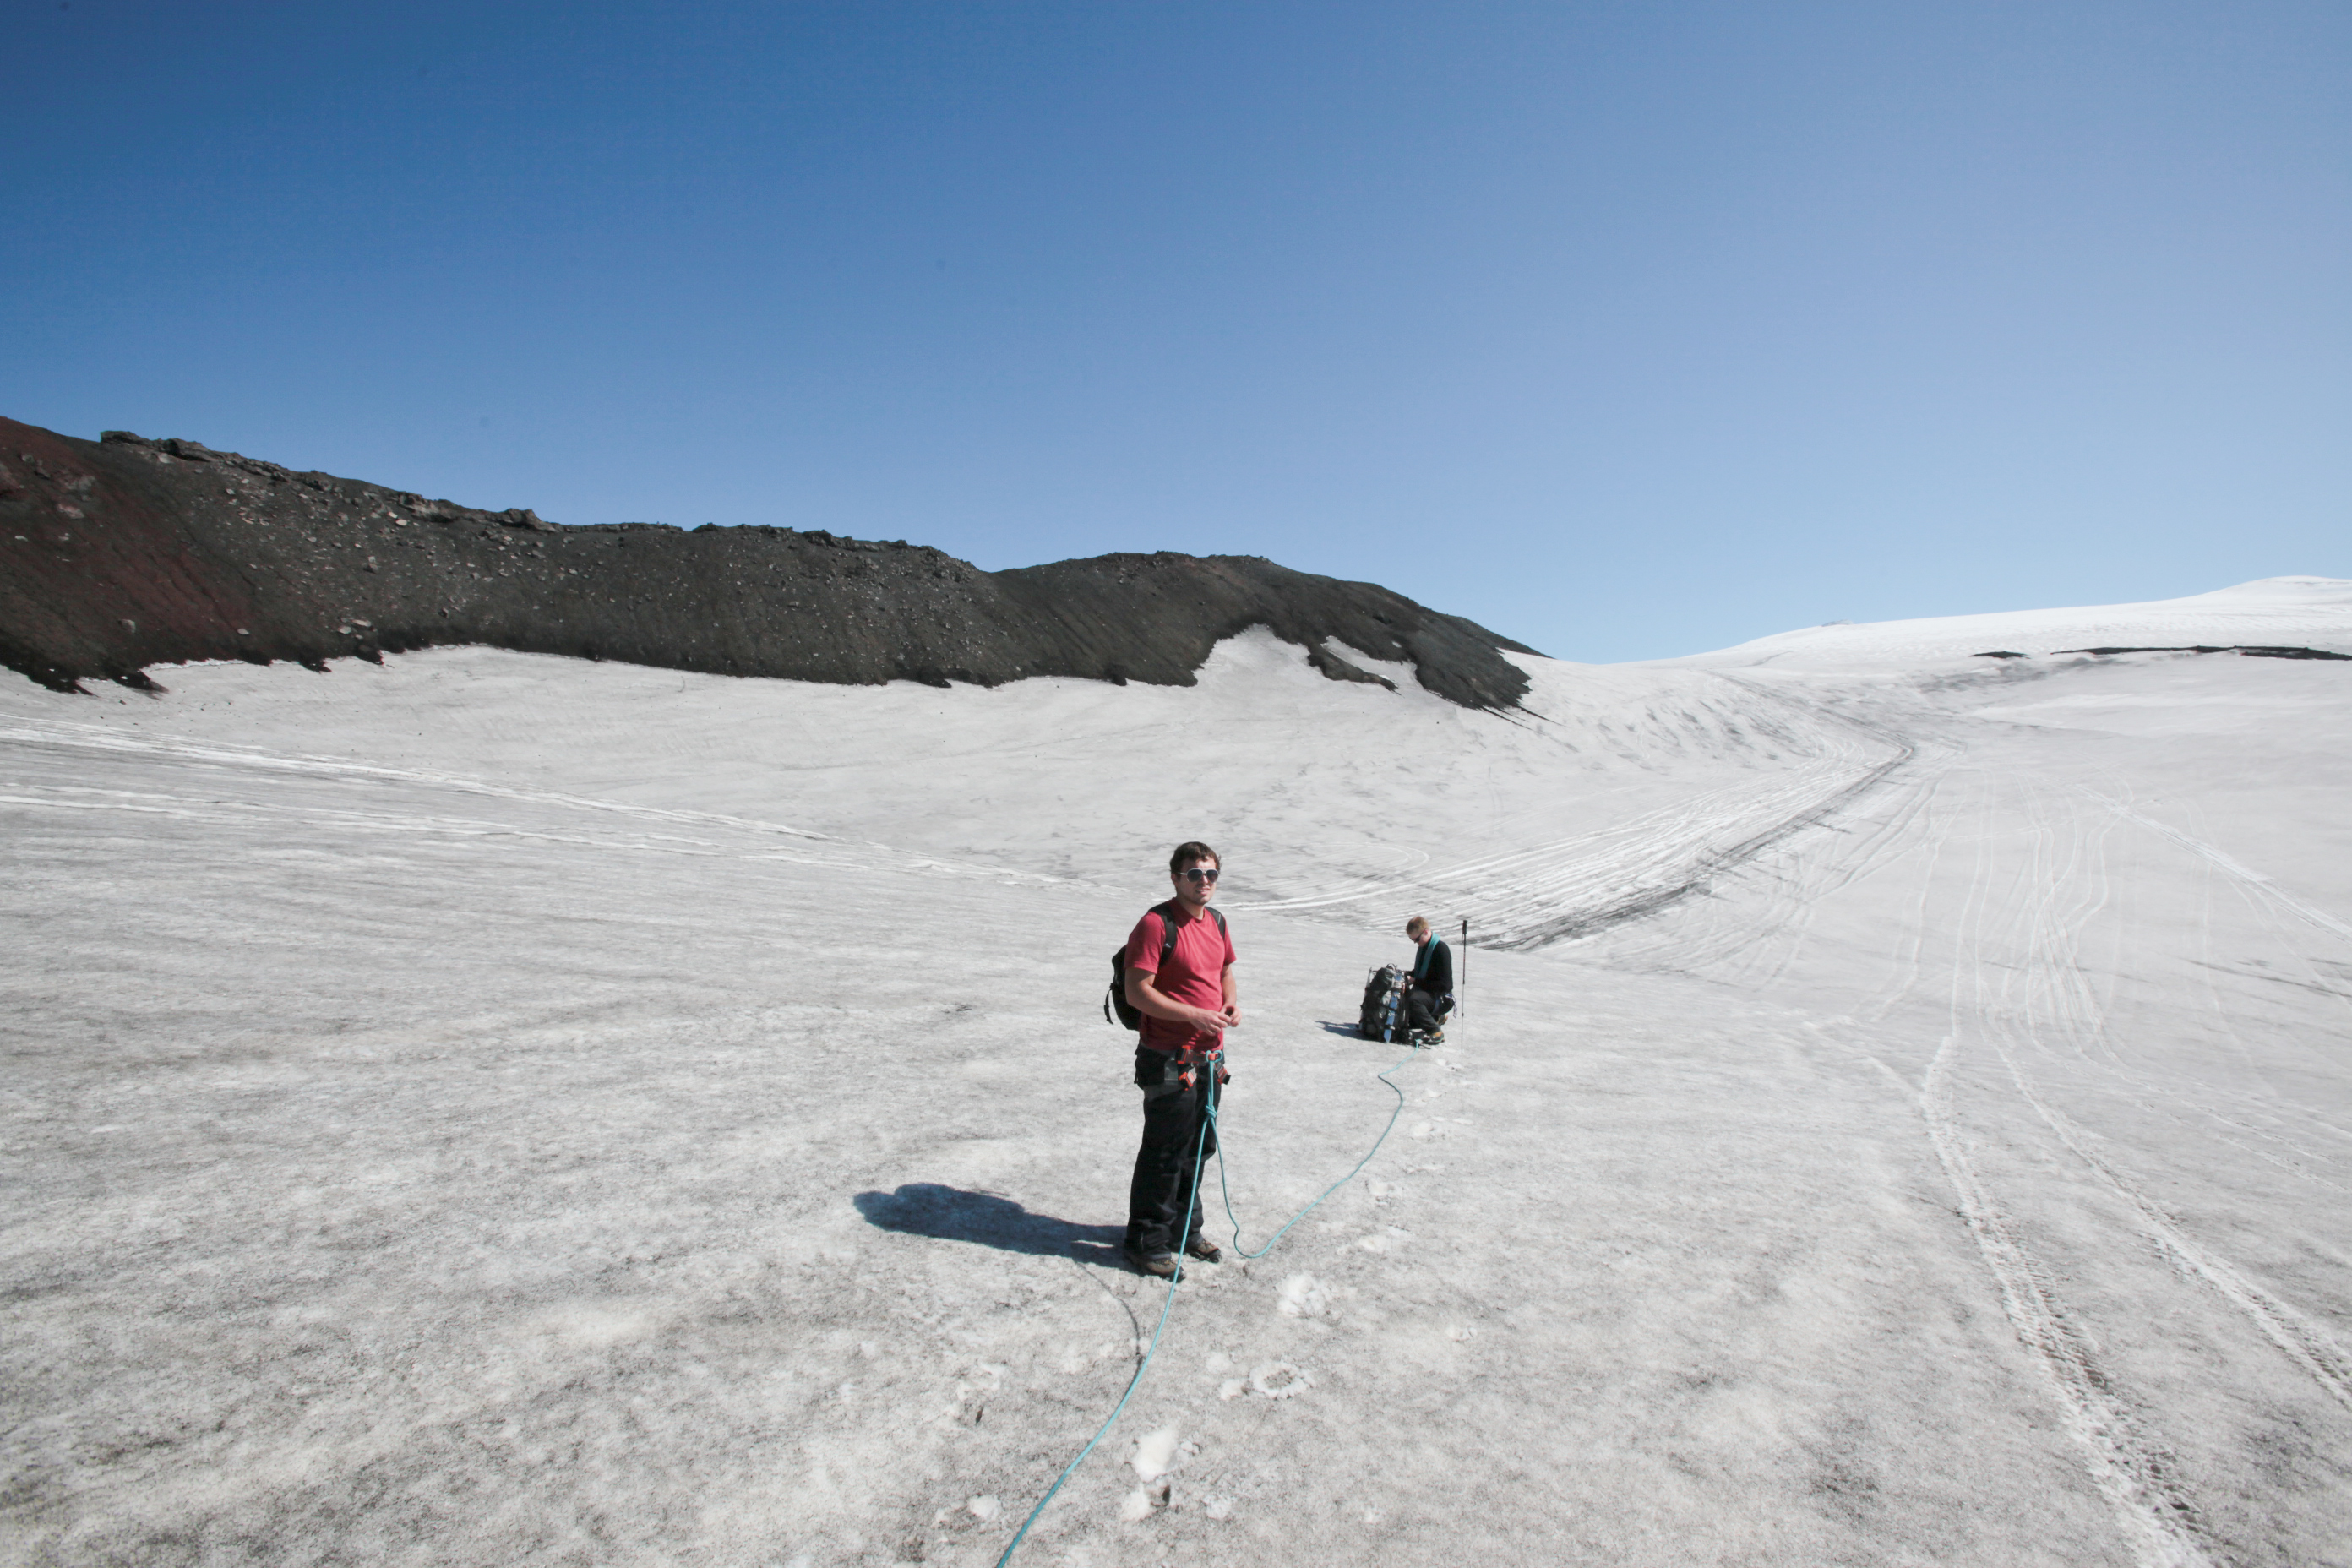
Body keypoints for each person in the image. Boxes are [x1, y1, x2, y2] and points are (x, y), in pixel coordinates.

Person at [1120, 841, 1239, 1277]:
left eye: (1210, 874)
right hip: (1168, 1058)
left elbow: (1224, 970)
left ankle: (1183, 1230)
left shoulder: (1218, 922)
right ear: (1175, 878)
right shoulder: (1156, 924)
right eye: (1194, 874)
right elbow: (1138, 991)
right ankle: (1146, 1242)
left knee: (1198, 1147)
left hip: (1208, 1058)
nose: (1203, 881)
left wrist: (1230, 1004)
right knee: (1165, 1151)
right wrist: (1193, 1015)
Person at [1404, 915, 1453, 1043]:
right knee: (1406, 1019)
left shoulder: (1440, 949)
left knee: (1413, 1000)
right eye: (1412, 940)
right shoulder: (1424, 947)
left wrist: (1415, 981)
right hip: (1427, 993)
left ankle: (1435, 1031)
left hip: (1441, 998)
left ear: (1426, 932)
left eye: (1417, 939)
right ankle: (1435, 1018)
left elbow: (1445, 985)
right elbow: (1420, 972)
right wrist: (1406, 974)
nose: (1416, 943)